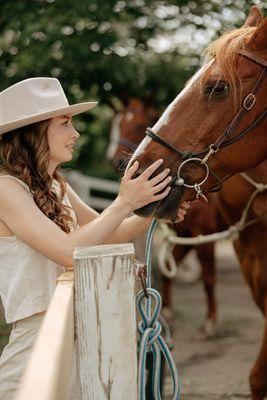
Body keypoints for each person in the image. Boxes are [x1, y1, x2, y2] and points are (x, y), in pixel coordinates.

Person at [0, 77, 188, 399]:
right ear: (34, 131)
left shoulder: (56, 184)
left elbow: (106, 234)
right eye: (64, 123)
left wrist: (154, 212)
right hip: (37, 343)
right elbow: (66, 251)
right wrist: (125, 201)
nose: (75, 134)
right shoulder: (6, 189)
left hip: (80, 332)